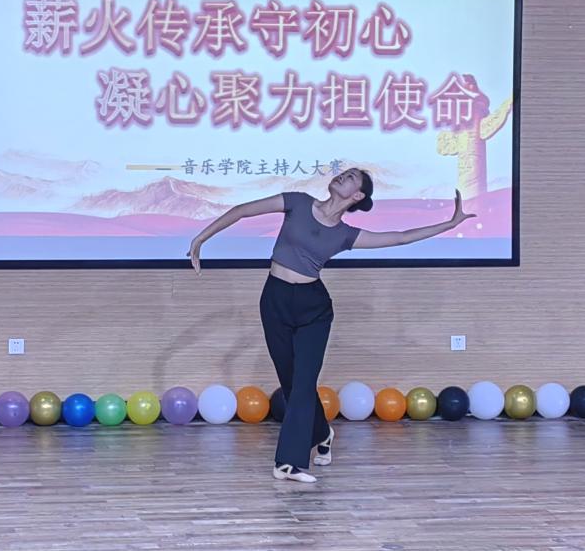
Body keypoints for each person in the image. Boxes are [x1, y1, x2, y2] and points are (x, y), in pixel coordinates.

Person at [187, 168, 476, 483]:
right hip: (274, 299)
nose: (342, 176)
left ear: (357, 196)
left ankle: (289, 463)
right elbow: (243, 210)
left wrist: (450, 224)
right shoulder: (298, 202)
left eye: (351, 178)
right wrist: (201, 238)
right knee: (292, 384)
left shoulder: (345, 234)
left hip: (314, 308)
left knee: (303, 382)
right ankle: (323, 434)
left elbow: (401, 237)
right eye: (344, 173)